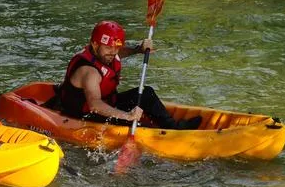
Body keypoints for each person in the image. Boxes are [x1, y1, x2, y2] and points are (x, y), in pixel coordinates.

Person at [54, 21, 200, 129]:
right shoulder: (89, 72)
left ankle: (172, 127)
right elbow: (95, 105)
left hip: (109, 101)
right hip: (85, 114)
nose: (112, 52)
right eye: (108, 47)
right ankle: (157, 132)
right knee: (135, 123)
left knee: (146, 93)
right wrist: (128, 116)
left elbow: (120, 52)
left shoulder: (106, 53)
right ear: (94, 45)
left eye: (115, 47)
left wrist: (138, 49)